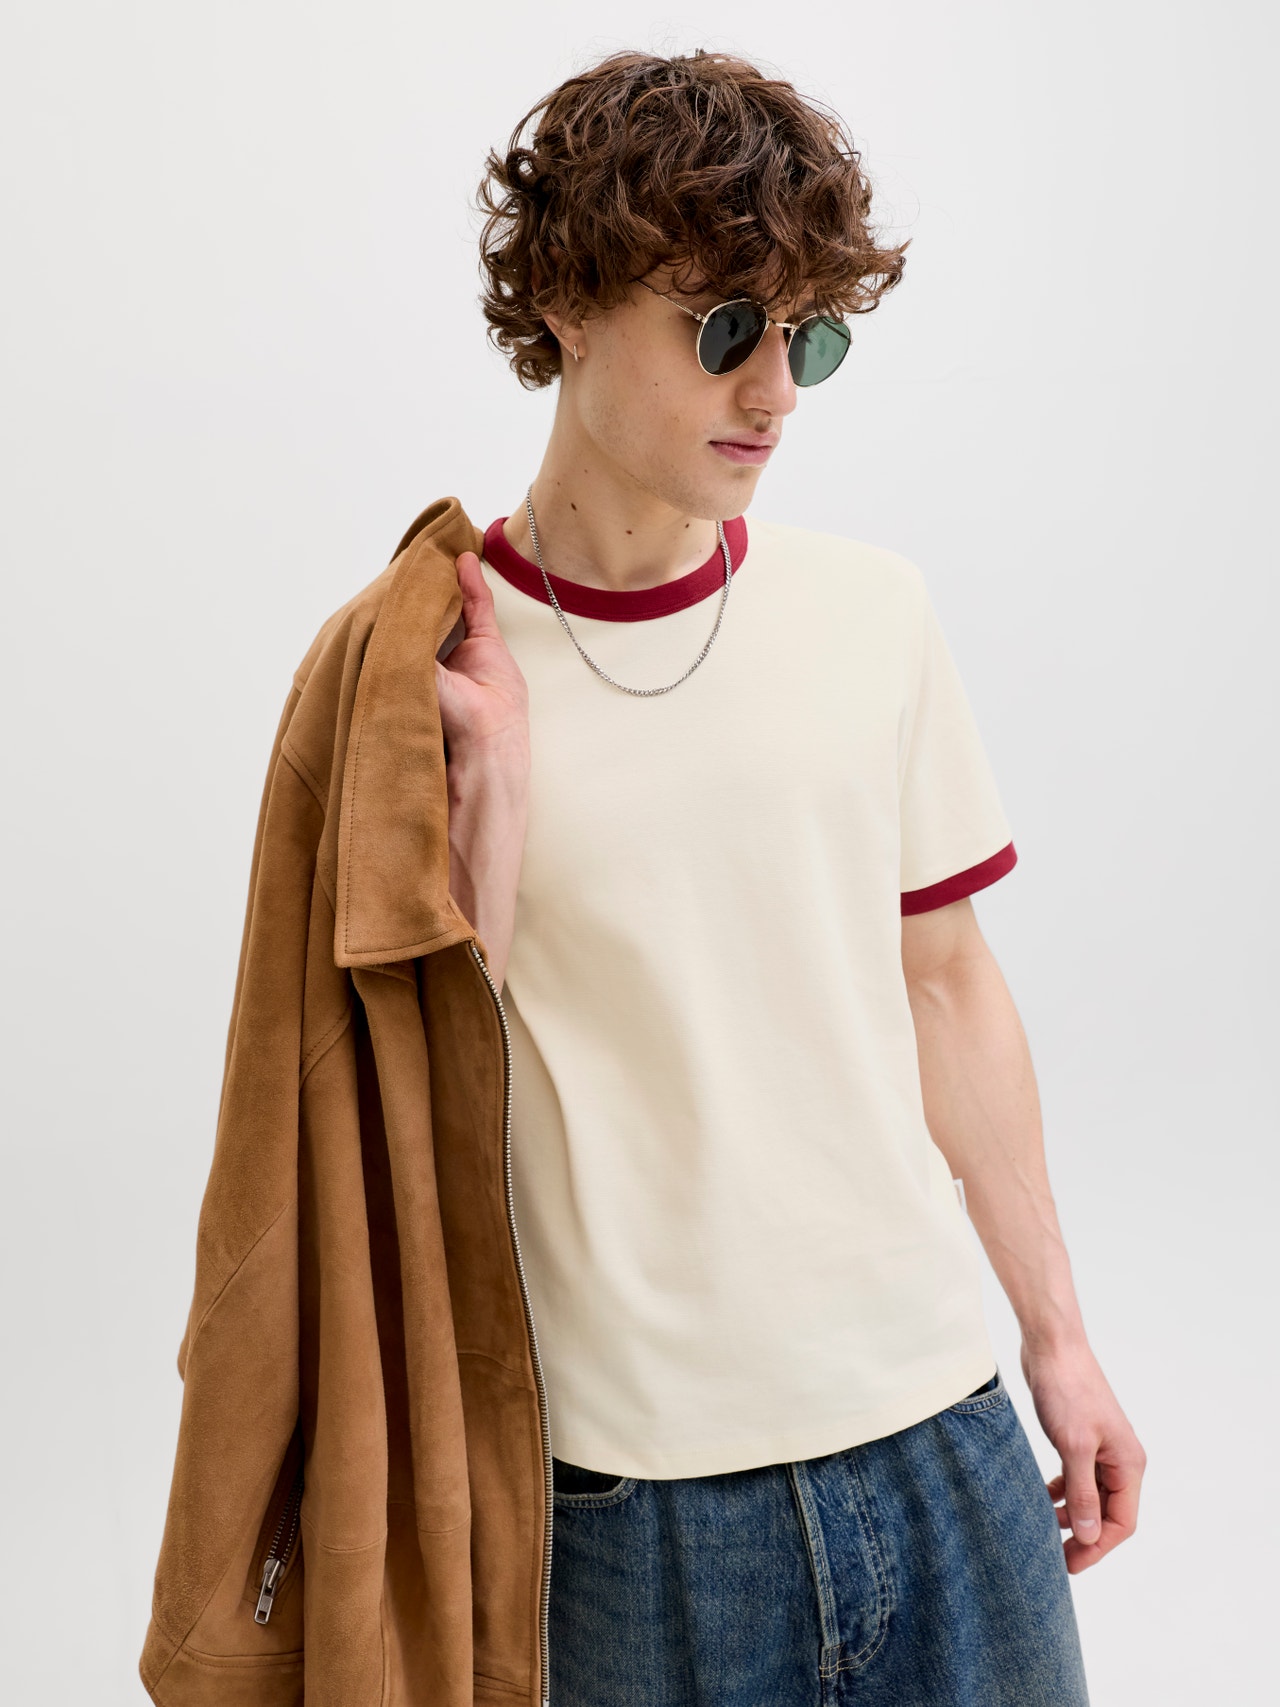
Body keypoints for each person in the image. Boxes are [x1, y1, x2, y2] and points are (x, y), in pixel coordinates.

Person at [433, 46, 1145, 1706]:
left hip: (945, 1438)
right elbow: (409, 1089)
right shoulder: (437, 667)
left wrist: (1058, 1340)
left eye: (808, 337)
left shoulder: (869, 613)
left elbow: (947, 983)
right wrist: (492, 808)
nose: (777, 393)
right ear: (566, 302)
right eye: (726, 329)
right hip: (636, 1507)